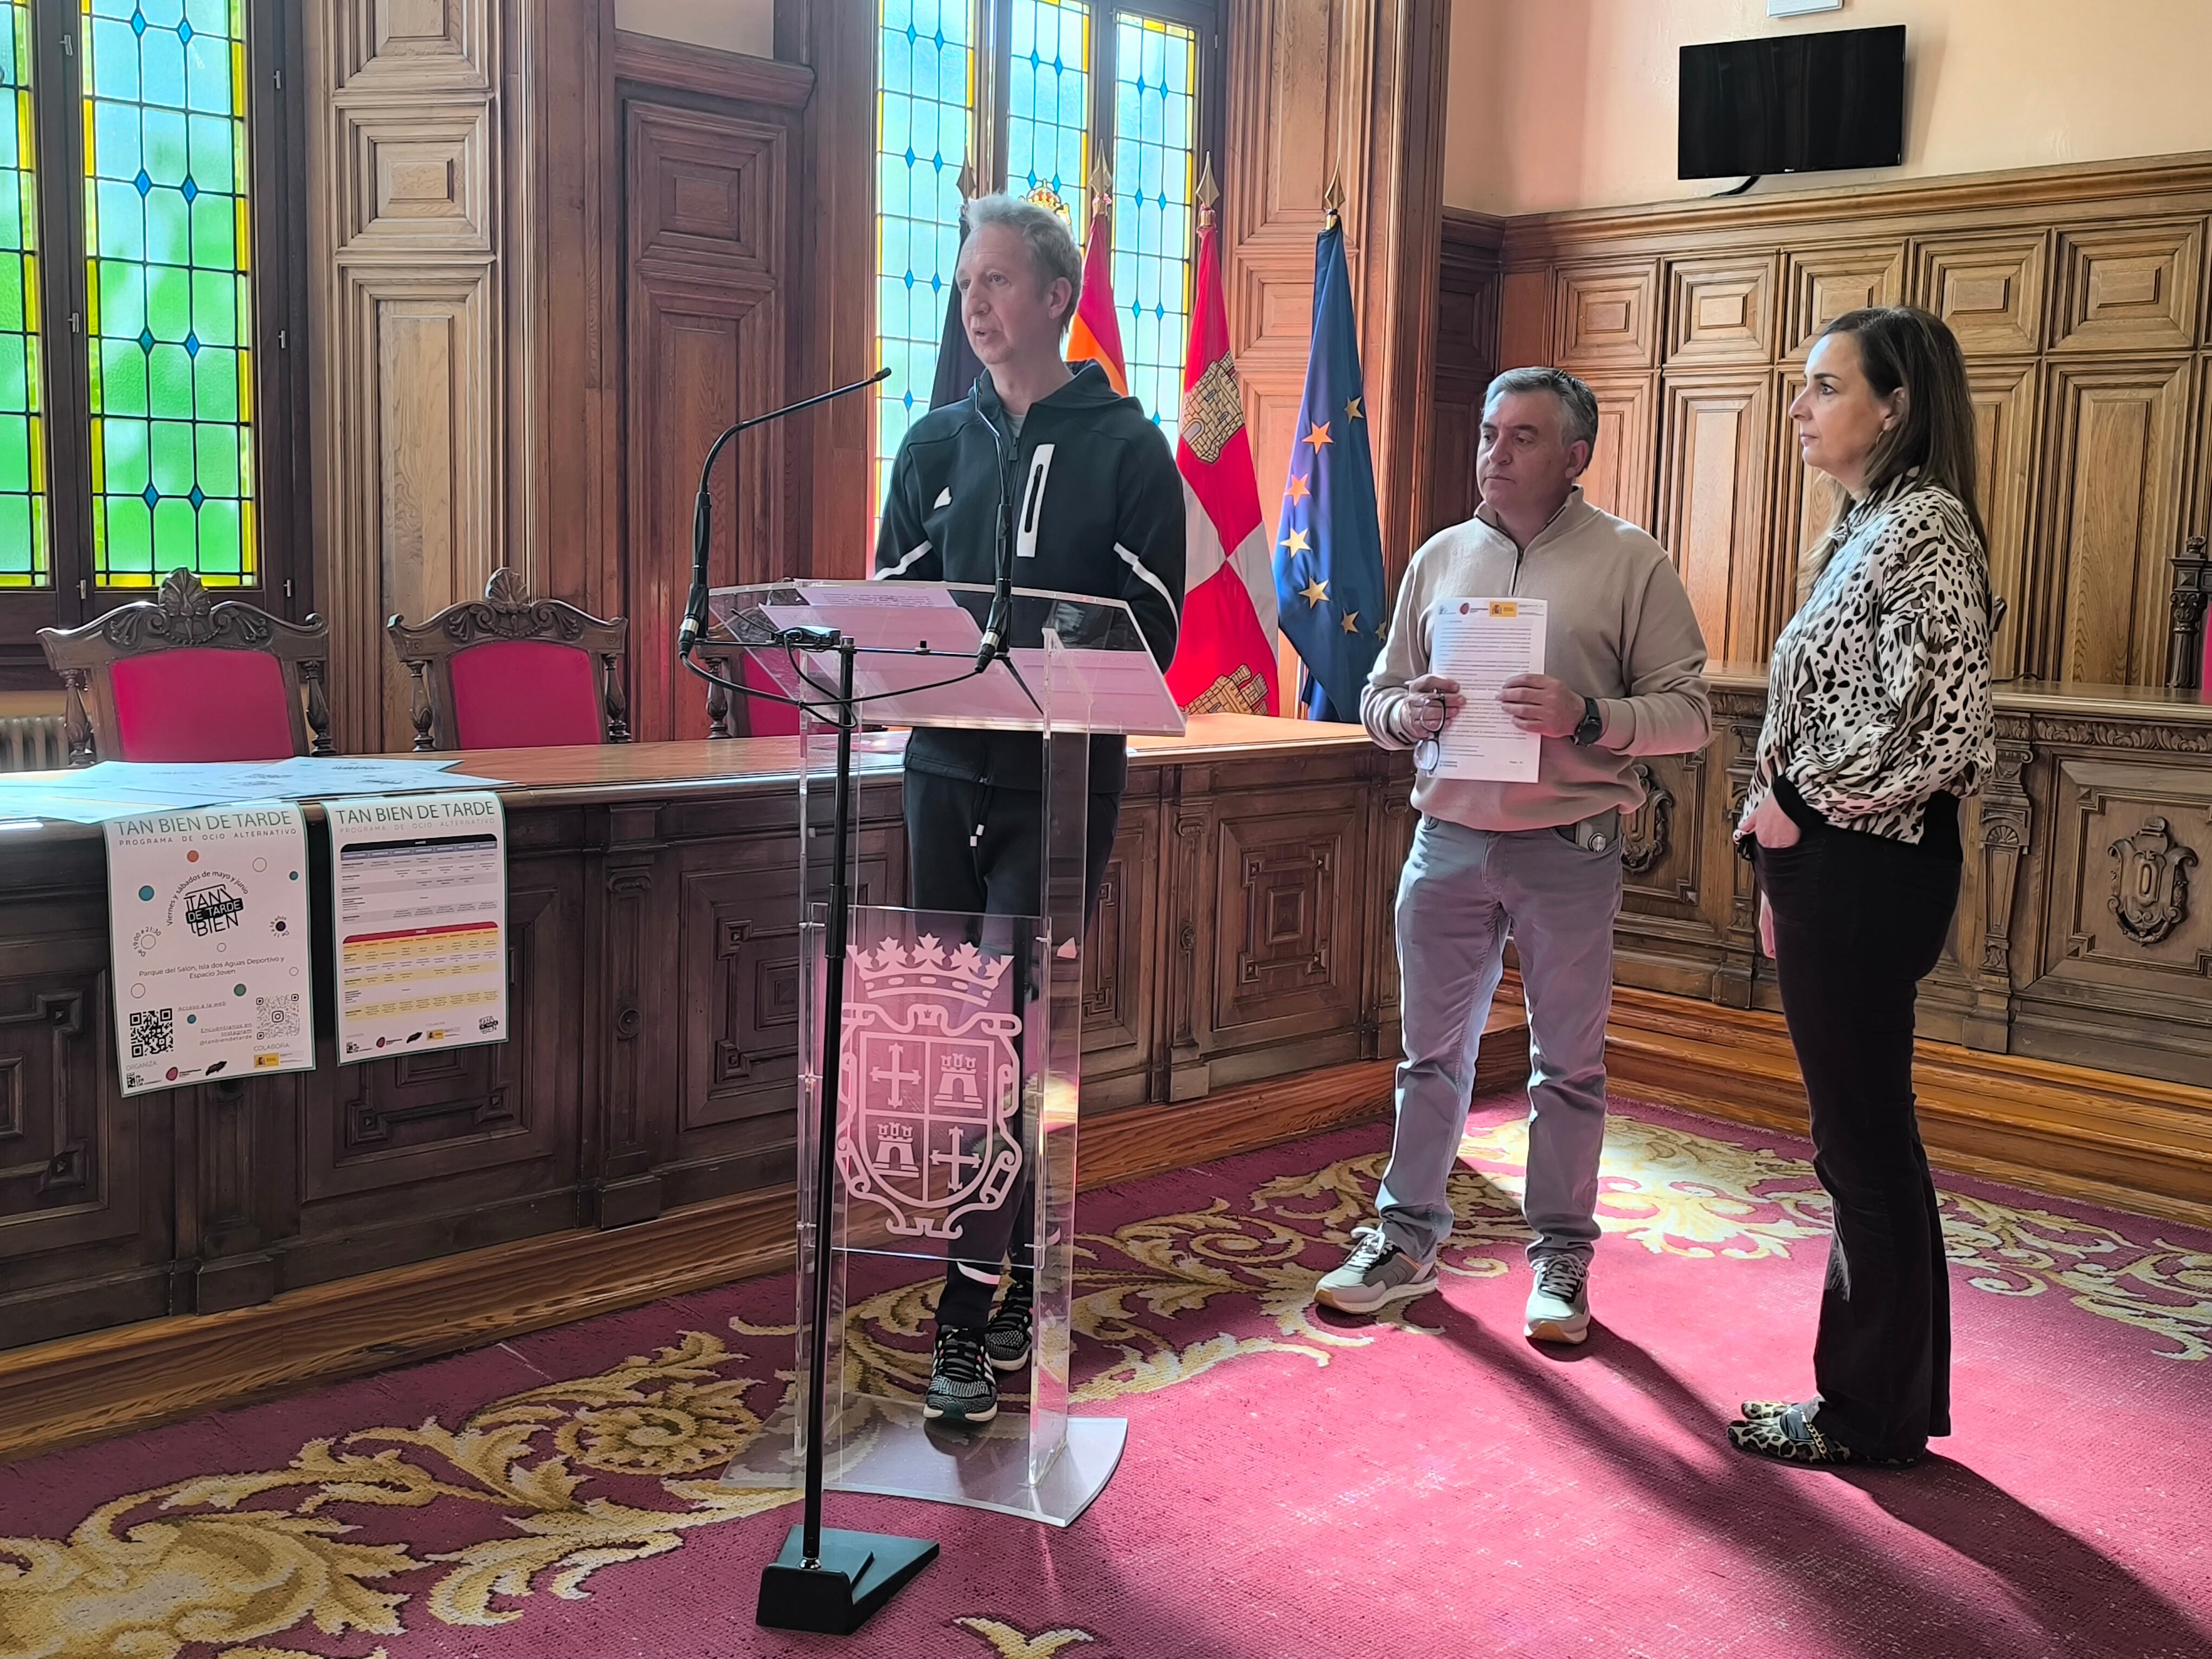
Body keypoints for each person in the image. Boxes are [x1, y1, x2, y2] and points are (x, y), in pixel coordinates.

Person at [1317, 367, 1712, 1343]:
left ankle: (1562, 1258)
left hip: (1567, 847)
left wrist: (1590, 716)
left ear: (1575, 457)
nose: (1495, 452)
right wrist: (1407, 713)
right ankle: (1404, 1240)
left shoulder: (1631, 561)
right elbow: (1378, 696)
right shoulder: (1441, 555)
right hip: (1447, 842)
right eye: (1490, 432)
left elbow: (1691, 715)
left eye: (1522, 437)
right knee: (1428, 1058)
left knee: (1565, 1066)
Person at [873, 193, 1185, 1424]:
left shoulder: (1129, 446)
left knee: (1014, 1034)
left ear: (1057, 296)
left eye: (996, 281)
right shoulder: (931, 445)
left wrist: (1046, 652)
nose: (975, 304)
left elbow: (1154, 630)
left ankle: (968, 1310)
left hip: (1057, 781)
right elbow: (888, 613)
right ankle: (997, 1271)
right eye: (965, 285)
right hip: (943, 772)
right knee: (956, 1037)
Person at [1730, 306, 1994, 1467]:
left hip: (1866, 865)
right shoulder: (1866, 524)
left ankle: (1865, 1414)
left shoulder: (1925, 528)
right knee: (1869, 1138)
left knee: (1862, 1146)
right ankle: (1892, 1404)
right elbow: (1819, 705)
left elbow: (1940, 730)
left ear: (1895, 407)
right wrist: (1776, 851)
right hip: (1832, 864)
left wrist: (1799, 808)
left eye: (1826, 386)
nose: (1801, 407)